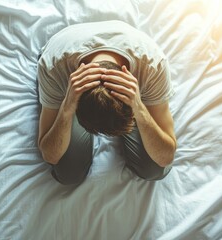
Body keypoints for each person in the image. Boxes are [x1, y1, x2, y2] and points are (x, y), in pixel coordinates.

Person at [37, 20, 177, 185]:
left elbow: (166, 156)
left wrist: (139, 107)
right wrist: (67, 107)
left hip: (134, 51)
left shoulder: (152, 66)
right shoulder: (53, 67)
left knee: (153, 169)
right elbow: (50, 155)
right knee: (69, 173)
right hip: (65, 45)